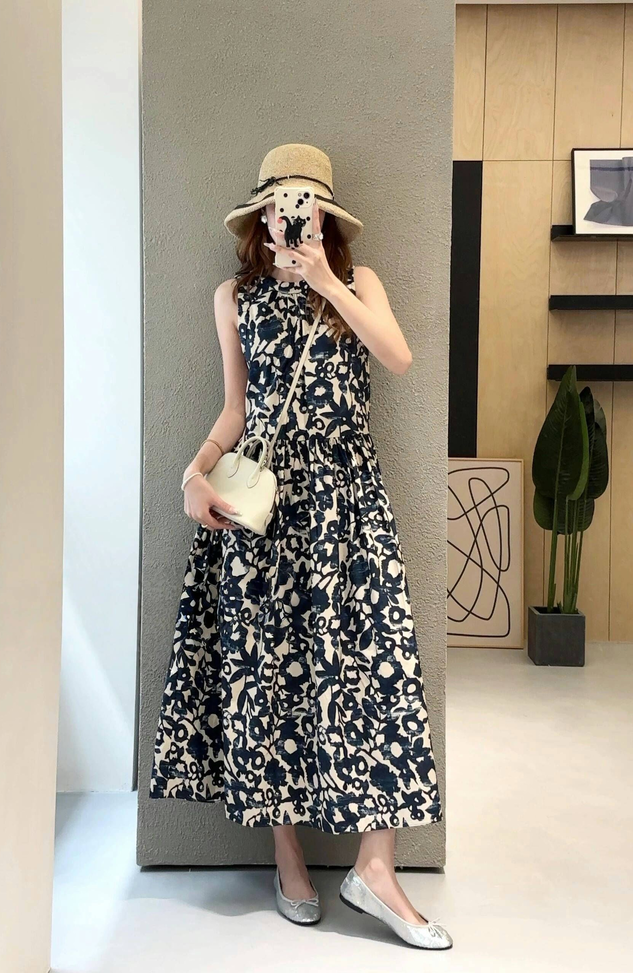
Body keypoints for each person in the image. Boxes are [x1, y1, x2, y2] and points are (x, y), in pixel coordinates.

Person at [149, 143, 452, 950]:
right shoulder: (233, 297)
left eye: (307, 204)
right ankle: (286, 855)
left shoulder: (358, 283)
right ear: (263, 213)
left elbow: (398, 357)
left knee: (380, 667)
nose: (293, 216)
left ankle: (375, 869)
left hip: (350, 504)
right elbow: (235, 410)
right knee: (271, 674)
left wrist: (325, 281)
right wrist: (193, 474)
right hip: (269, 513)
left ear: (325, 216)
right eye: (282, 203)